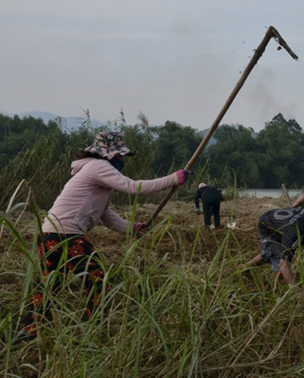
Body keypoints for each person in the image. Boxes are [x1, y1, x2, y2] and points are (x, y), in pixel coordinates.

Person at [20, 131, 190, 339]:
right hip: (66, 234)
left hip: (49, 235)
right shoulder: (98, 167)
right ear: (108, 155)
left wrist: (131, 228)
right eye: (119, 156)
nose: (120, 160)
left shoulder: (94, 173)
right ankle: (95, 329)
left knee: (48, 285)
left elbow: (105, 215)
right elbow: (133, 187)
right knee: (99, 279)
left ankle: (27, 333)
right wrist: (173, 179)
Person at [244, 195, 304, 286]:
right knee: (277, 256)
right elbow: (284, 263)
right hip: (267, 225)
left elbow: (302, 198)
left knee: (269, 253)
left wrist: (294, 207)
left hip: (282, 227)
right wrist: (295, 289)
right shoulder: (294, 233)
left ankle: (244, 269)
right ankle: (275, 287)